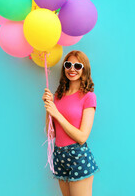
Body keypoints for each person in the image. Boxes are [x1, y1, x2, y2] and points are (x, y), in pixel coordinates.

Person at [42, 50, 100, 196]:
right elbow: (51, 134)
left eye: (77, 66)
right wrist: (49, 107)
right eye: (68, 64)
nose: (72, 69)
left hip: (78, 156)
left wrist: (57, 113)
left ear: (84, 69)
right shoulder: (59, 95)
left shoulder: (88, 97)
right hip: (59, 155)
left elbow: (82, 137)